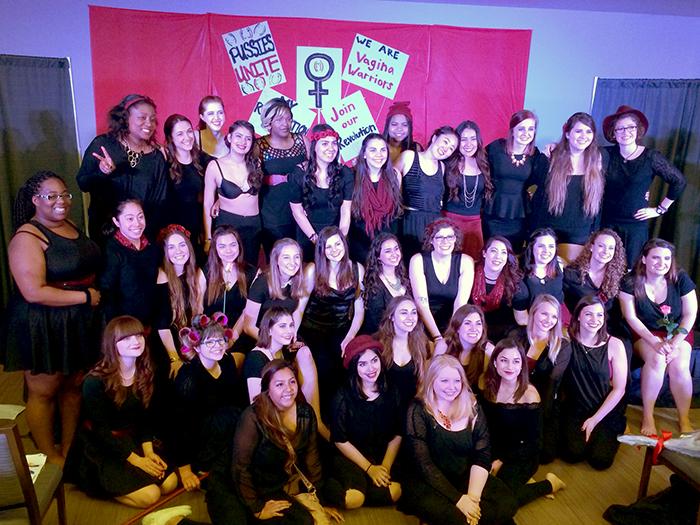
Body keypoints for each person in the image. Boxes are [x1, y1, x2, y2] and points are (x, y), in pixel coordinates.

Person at [2, 171, 101, 466]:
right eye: (51, 196)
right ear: (35, 200)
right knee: (43, 391)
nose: (61, 201)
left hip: (76, 321)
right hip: (43, 323)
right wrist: (85, 297)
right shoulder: (27, 237)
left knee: (73, 386)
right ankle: (49, 456)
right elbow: (33, 292)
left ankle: (69, 449)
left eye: (65, 195)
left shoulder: (69, 224)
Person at [65, 316, 178, 507]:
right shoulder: (94, 381)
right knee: (150, 496)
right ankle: (97, 484)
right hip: (103, 445)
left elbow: (146, 419)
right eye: (126, 338)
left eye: (138, 336)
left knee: (170, 483)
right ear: (112, 344)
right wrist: (137, 460)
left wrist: (148, 453)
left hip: (132, 438)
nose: (135, 341)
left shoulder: (146, 371)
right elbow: (100, 430)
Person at [398, 355, 518, 525]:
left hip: (462, 474)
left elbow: (482, 454)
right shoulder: (418, 409)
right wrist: (459, 500)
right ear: (432, 381)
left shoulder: (472, 406)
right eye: (444, 381)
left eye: (457, 381)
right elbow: (424, 465)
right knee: (459, 519)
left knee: (508, 503)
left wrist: (473, 499)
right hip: (427, 481)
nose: (452, 387)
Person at [233, 359, 343, 524]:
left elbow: (312, 458)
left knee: (321, 513)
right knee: (304, 521)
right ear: (268, 389)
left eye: (292, 382)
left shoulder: (305, 412)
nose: (289, 389)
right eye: (279, 384)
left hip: (287, 481)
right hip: (262, 486)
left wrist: (319, 501)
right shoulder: (253, 417)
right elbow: (240, 467)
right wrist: (256, 508)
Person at [619, 238, 697, 435]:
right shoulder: (629, 281)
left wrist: (674, 343)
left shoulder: (680, 278)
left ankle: (684, 418)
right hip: (645, 332)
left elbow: (690, 314)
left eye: (667, 258)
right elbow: (630, 317)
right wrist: (654, 342)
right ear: (644, 259)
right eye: (655, 258)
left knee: (679, 365)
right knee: (657, 358)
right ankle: (648, 415)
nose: (662, 263)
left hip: (678, 332)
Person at [482, 339, 566, 508]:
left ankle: (549, 484)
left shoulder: (529, 394)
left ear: (522, 365)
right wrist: (487, 457)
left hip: (522, 454)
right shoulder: (487, 384)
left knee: (501, 498)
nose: (510, 366)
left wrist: (502, 460)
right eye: (504, 360)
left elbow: (534, 443)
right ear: (495, 363)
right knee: (480, 490)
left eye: (516, 361)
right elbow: (487, 428)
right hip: (494, 449)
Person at [601, 105, 687, 266]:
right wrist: (554, 146)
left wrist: (660, 209)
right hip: (605, 224)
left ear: (638, 130)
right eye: (620, 129)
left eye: (630, 127)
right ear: (613, 133)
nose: (625, 132)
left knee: (630, 270)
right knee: (604, 268)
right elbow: (577, 153)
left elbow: (679, 181)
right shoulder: (605, 154)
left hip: (634, 228)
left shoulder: (651, 157)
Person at [77, 94, 168, 242]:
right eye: (142, 118)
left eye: (152, 119)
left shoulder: (156, 158)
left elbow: (159, 202)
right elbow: (83, 183)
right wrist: (102, 173)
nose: (149, 123)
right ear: (125, 119)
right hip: (105, 234)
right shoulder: (103, 144)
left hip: (140, 236)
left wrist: (145, 238)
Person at [325, 336, 402, 509]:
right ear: (354, 367)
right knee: (354, 499)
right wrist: (369, 469)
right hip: (351, 457)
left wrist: (384, 467)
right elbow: (340, 440)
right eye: (363, 364)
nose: (371, 368)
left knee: (395, 491)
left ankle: (365, 490)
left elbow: (397, 433)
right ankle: (349, 490)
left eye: (374, 360)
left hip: (380, 454)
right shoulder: (342, 397)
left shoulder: (392, 391)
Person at [300, 227, 364, 415]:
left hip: (341, 330)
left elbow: (359, 311)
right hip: (313, 331)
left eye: (337, 244)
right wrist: (292, 336)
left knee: (347, 366)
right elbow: (300, 308)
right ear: (322, 251)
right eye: (328, 247)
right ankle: (322, 418)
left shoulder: (356, 269)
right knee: (324, 368)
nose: (334, 250)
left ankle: (344, 415)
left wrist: (350, 337)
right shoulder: (313, 270)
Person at [173, 313, 240, 493]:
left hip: (225, 432)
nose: (217, 346)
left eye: (220, 340)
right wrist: (185, 470)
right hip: (198, 438)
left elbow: (236, 401)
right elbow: (180, 425)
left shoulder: (227, 361)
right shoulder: (188, 377)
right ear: (197, 347)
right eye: (210, 342)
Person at [560, 296, 627, 470]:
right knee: (572, 454)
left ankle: (616, 427)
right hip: (576, 407)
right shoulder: (567, 338)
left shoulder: (615, 345)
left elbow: (619, 389)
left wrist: (595, 419)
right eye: (588, 314)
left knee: (600, 461)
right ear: (578, 316)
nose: (594, 320)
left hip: (605, 406)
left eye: (599, 315)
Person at [530, 112, 604, 264]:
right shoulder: (550, 157)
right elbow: (536, 192)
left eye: (588, 132)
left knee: (573, 274)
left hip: (580, 233)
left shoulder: (598, 159)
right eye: (578, 131)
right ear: (568, 134)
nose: (583, 136)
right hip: (548, 229)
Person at [243, 307, 327, 440]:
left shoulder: (283, 353)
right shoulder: (256, 359)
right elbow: (256, 406)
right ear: (269, 330)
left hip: (283, 408)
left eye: (291, 325)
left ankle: (318, 423)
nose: (289, 331)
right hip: (265, 420)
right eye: (282, 326)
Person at [509, 294, 572, 463]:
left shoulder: (563, 346)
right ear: (533, 312)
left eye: (554, 316)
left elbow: (552, 386)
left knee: (545, 455)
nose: (549, 320)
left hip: (544, 403)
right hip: (513, 398)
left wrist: (537, 420)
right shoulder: (516, 335)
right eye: (544, 314)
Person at [483, 109, 548, 252]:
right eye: (521, 128)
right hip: (493, 212)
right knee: (492, 252)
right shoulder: (496, 147)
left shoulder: (535, 155)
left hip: (519, 215)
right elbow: (479, 166)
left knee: (514, 254)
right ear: (512, 130)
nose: (526, 133)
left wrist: (549, 152)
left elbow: (539, 181)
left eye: (530, 129)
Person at [289, 124, 354, 261]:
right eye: (325, 143)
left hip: (336, 235)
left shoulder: (345, 173)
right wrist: (316, 240)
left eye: (334, 143)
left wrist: (339, 241)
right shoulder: (299, 173)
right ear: (314, 147)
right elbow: (297, 211)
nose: (331, 148)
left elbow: (346, 210)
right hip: (308, 234)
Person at [203, 120, 262, 266]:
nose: (243, 142)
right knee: (227, 269)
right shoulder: (215, 166)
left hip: (253, 225)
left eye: (248, 138)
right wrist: (208, 237)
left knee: (250, 269)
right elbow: (207, 203)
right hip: (228, 225)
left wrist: (219, 200)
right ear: (229, 138)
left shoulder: (256, 163)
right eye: (238, 136)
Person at [257, 97, 309, 259]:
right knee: (278, 259)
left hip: (302, 212)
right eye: (279, 119)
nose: (285, 123)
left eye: (288, 119)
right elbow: (247, 176)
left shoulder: (301, 140)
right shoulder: (259, 146)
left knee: (303, 259)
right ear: (268, 122)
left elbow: (317, 169)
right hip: (273, 215)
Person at [409, 218, 474, 349]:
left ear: (455, 239)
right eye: (439, 237)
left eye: (450, 237)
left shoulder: (465, 262)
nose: (445, 242)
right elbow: (422, 305)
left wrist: (450, 335)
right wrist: (437, 338)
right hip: (424, 320)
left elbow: (460, 303)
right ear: (431, 240)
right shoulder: (418, 260)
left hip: (453, 321)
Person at [396, 126, 458, 258]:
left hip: (434, 226)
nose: (446, 149)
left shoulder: (442, 167)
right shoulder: (409, 156)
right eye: (445, 142)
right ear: (434, 138)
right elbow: (388, 183)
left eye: (451, 148)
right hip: (410, 222)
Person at [154, 224, 207, 378]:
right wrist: (174, 358)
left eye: (182, 245)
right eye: (171, 247)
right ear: (165, 252)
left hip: (189, 337)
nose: (178, 251)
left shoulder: (196, 274)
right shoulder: (162, 276)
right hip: (168, 342)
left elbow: (199, 313)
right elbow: (162, 325)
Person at [100, 199, 159, 325]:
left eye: (140, 217)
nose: (137, 223)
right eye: (130, 219)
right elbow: (107, 295)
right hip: (125, 325)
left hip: (151, 321)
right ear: (116, 222)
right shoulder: (111, 251)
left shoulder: (151, 246)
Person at [203, 225, 256, 365]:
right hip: (210, 335)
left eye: (233, 245)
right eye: (222, 246)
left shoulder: (252, 273)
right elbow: (198, 309)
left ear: (239, 246)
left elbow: (247, 312)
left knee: (232, 363)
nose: (228, 251)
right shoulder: (205, 272)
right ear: (215, 249)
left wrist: (232, 338)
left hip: (239, 334)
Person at [164, 113, 213, 260]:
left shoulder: (204, 160)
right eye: (180, 134)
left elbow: (222, 178)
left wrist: (218, 200)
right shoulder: (164, 163)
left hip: (201, 229)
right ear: (171, 138)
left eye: (189, 131)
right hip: (176, 234)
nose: (187, 137)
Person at [242, 238, 309, 342]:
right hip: (261, 339)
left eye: (296, 257)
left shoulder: (297, 282)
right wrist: (273, 344)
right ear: (276, 260)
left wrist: (292, 335)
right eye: (286, 257)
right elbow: (248, 327)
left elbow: (297, 312)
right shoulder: (261, 283)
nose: (293, 262)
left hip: (283, 337)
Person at [443, 120, 493, 260]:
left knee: (473, 263)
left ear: (478, 141)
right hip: (449, 221)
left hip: (474, 223)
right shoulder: (447, 162)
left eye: (472, 139)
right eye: (463, 139)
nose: (468, 144)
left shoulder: (485, 163)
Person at [349, 133, 402, 263]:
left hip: (387, 243)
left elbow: (395, 213)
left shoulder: (395, 176)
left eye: (383, 150)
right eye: (373, 150)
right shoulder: (351, 176)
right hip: (360, 243)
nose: (379, 154)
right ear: (364, 154)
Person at [563, 229, 627, 335]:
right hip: (580, 327)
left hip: (609, 329)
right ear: (592, 247)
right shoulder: (572, 274)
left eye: (611, 248)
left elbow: (616, 314)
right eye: (601, 246)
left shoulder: (618, 278)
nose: (606, 251)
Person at [376, 296, 429, 413]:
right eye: (404, 313)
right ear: (391, 316)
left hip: (412, 406)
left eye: (413, 312)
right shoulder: (377, 342)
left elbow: (424, 380)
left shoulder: (423, 343)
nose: (410, 317)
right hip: (383, 405)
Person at [470, 236, 523, 341]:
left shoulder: (515, 282)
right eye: (494, 251)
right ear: (484, 253)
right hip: (472, 329)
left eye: (503, 253)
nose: (498, 257)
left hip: (503, 335)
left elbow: (522, 319)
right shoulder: (469, 273)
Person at [360, 233, 411, 335]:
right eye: (388, 251)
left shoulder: (404, 278)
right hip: (383, 337)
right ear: (378, 257)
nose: (394, 254)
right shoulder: (375, 285)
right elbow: (377, 324)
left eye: (396, 249)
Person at [513, 228, 564, 325]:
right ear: (532, 247)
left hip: (555, 320)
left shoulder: (559, 265)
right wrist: (544, 328)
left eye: (551, 246)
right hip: (530, 325)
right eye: (541, 246)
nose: (546, 251)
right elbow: (521, 319)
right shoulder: (519, 275)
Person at [440, 305, 495, 391]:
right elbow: (434, 378)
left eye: (478, 324)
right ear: (457, 328)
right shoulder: (444, 345)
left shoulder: (488, 350)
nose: (474, 329)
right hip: (447, 394)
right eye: (467, 323)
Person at [382, 100, 421, 164]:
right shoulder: (377, 146)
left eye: (404, 125)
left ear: (410, 127)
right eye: (394, 124)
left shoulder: (416, 148)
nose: (399, 129)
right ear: (387, 126)